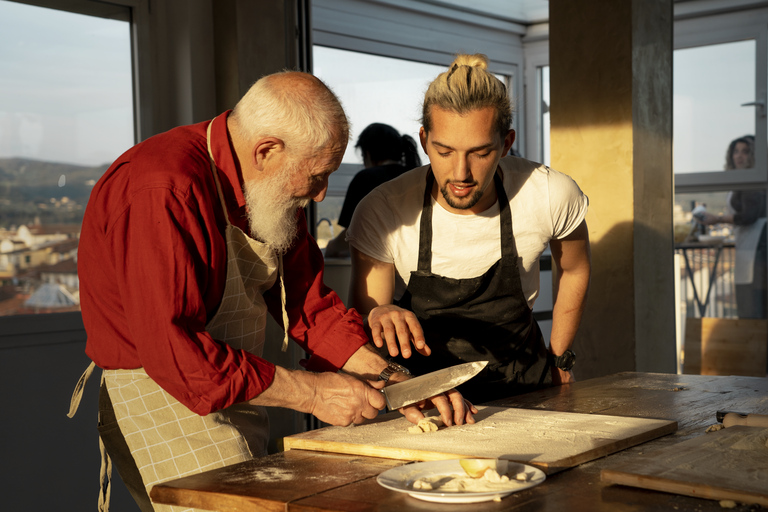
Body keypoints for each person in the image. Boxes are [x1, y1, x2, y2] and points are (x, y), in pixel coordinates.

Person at [71, 71, 474, 512]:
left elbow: (307, 303)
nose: (320, 194)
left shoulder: (273, 186)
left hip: (234, 387)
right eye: (318, 176)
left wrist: (393, 379)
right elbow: (175, 352)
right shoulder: (161, 189)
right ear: (266, 150)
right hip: (159, 400)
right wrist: (315, 393)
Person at [346, 54, 591, 404]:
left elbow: (575, 268)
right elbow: (367, 326)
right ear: (424, 140)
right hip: (426, 396)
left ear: (506, 143)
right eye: (444, 151)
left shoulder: (550, 193)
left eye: (480, 152)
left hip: (528, 384)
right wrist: (378, 315)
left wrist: (560, 357)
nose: (461, 173)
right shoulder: (384, 210)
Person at [324, 123, 421, 257]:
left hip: (380, 265)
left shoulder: (366, 178)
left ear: (367, 154)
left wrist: (332, 247)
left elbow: (353, 233)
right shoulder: (416, 176)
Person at [698, 135, 766, 319]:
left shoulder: (752, 181)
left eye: (745, 151)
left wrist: (717, 219)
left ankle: (755, 346)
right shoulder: (744, 180)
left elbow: (749, 215)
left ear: (754, 155)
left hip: (758, 246)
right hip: (750, 245)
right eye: (736, 151)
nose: (739, 156)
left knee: (754, 302)